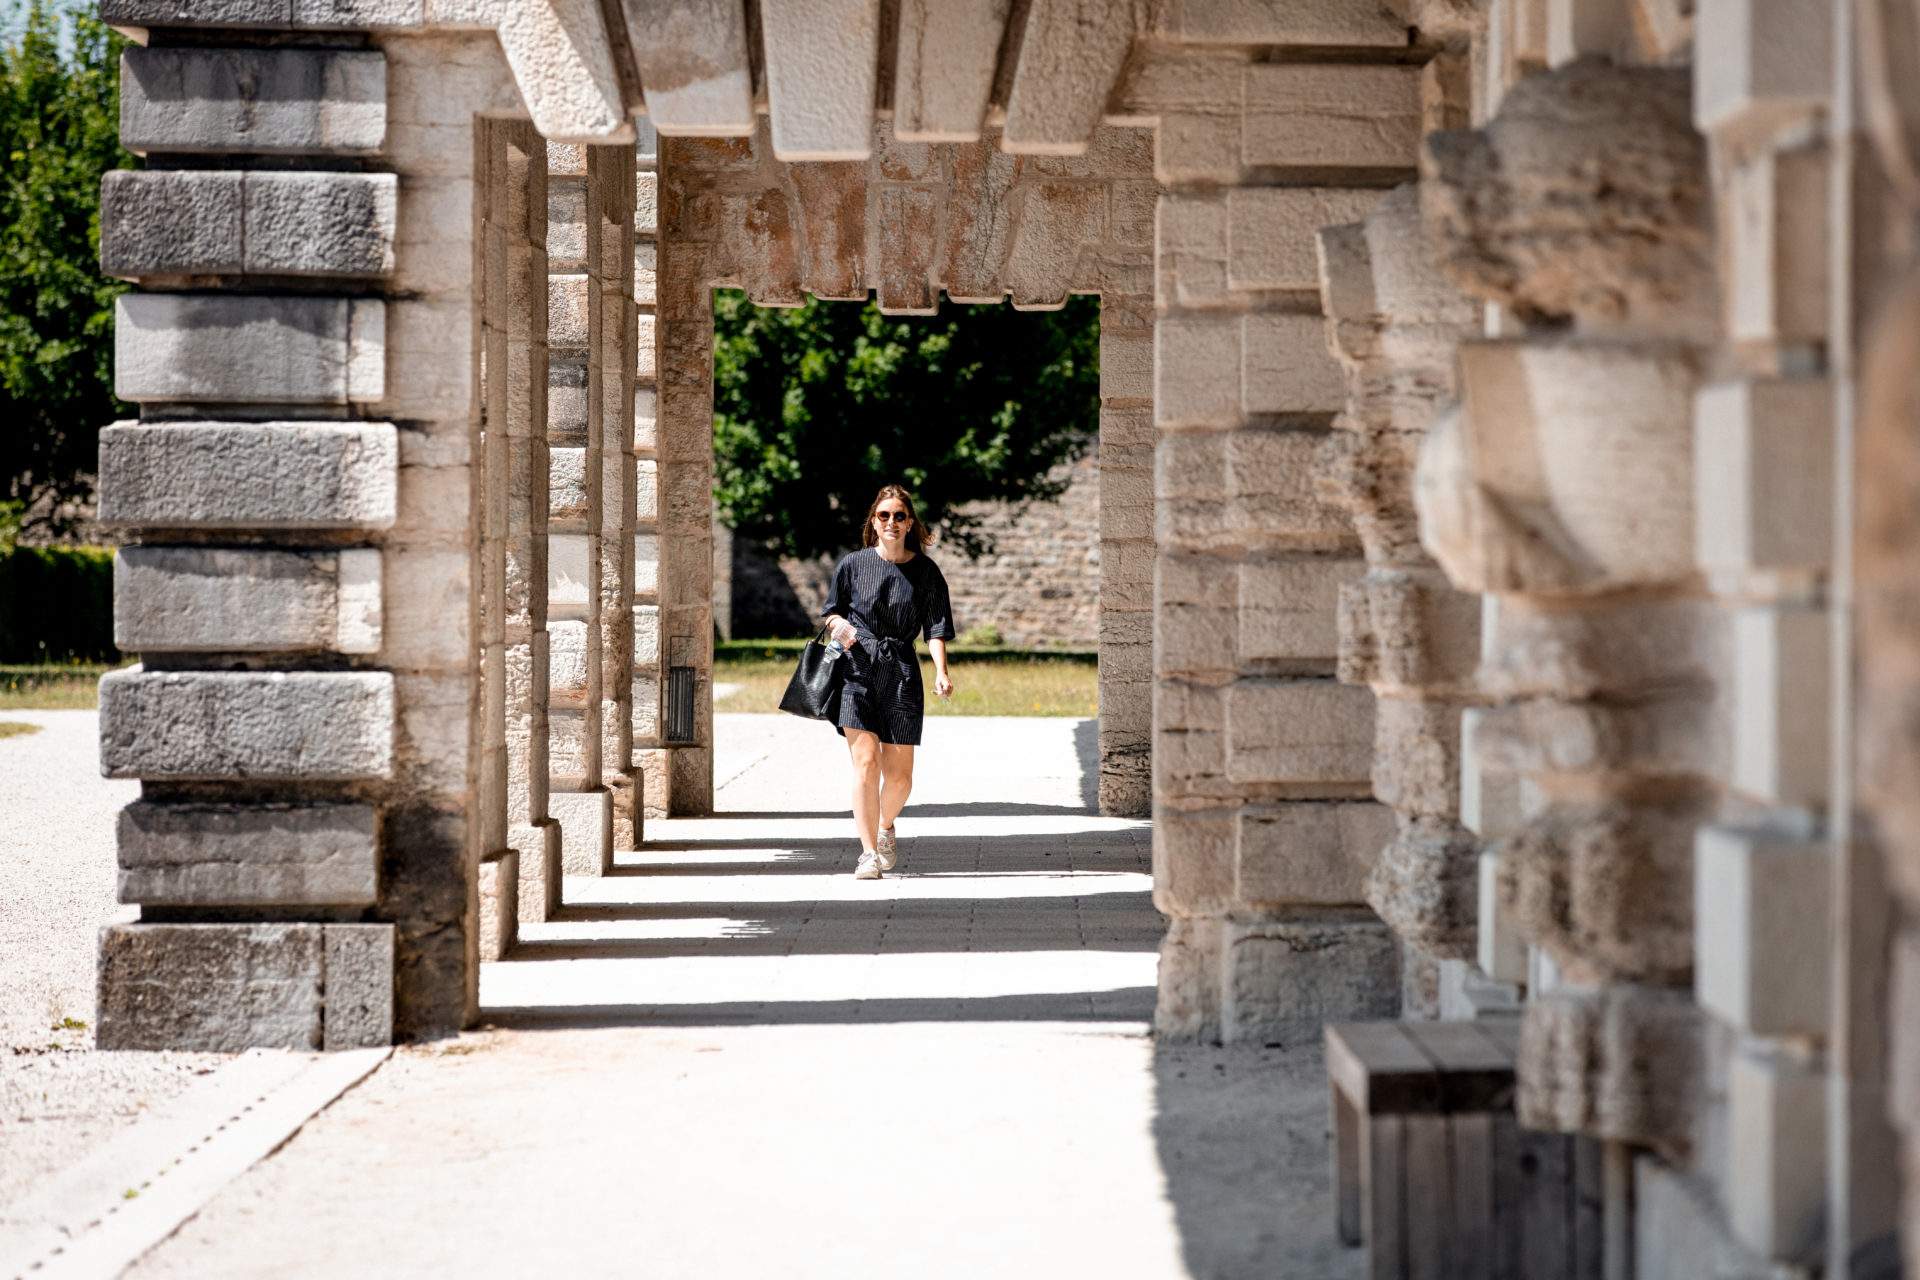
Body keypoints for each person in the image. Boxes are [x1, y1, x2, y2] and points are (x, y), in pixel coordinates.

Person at [821, 485, 956, 880]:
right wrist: (839, 624)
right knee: (865, 762)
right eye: (884, 516)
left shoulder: (926, 571)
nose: (892, 522)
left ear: (909, 522)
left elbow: (935, 628)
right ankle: (867, 854)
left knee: (899, 778)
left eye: (899, 516)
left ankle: (884, 828)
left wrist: (942, 671)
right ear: (874, 522)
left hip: (901, 673)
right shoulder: (852, 565)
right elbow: (830, 612)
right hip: (857, 669)